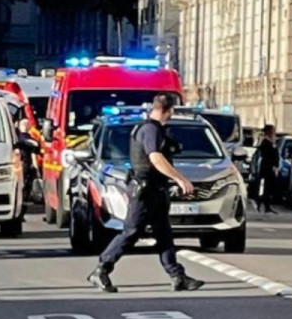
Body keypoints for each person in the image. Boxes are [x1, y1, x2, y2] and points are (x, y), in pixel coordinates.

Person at [87, 94, 205, 293]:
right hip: (145, 190)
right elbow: (155, 158)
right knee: (131, 232)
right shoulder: (150, 129)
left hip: (155, 189)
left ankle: (177, 276)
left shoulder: (150, 128)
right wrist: (180, 179)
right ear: (170, 110)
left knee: (164, 234)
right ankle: (102, 269)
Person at [256, 124, 280, 214]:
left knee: (270, 187)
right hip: (267, 167)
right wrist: (272, 165)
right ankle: (260, 204)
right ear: (268, 132)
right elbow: (267, 155)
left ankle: (267, 206)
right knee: (264, 187)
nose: (274, 133)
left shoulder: (272, 141)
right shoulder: (265, 142)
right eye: (272, 131)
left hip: (271, 167)